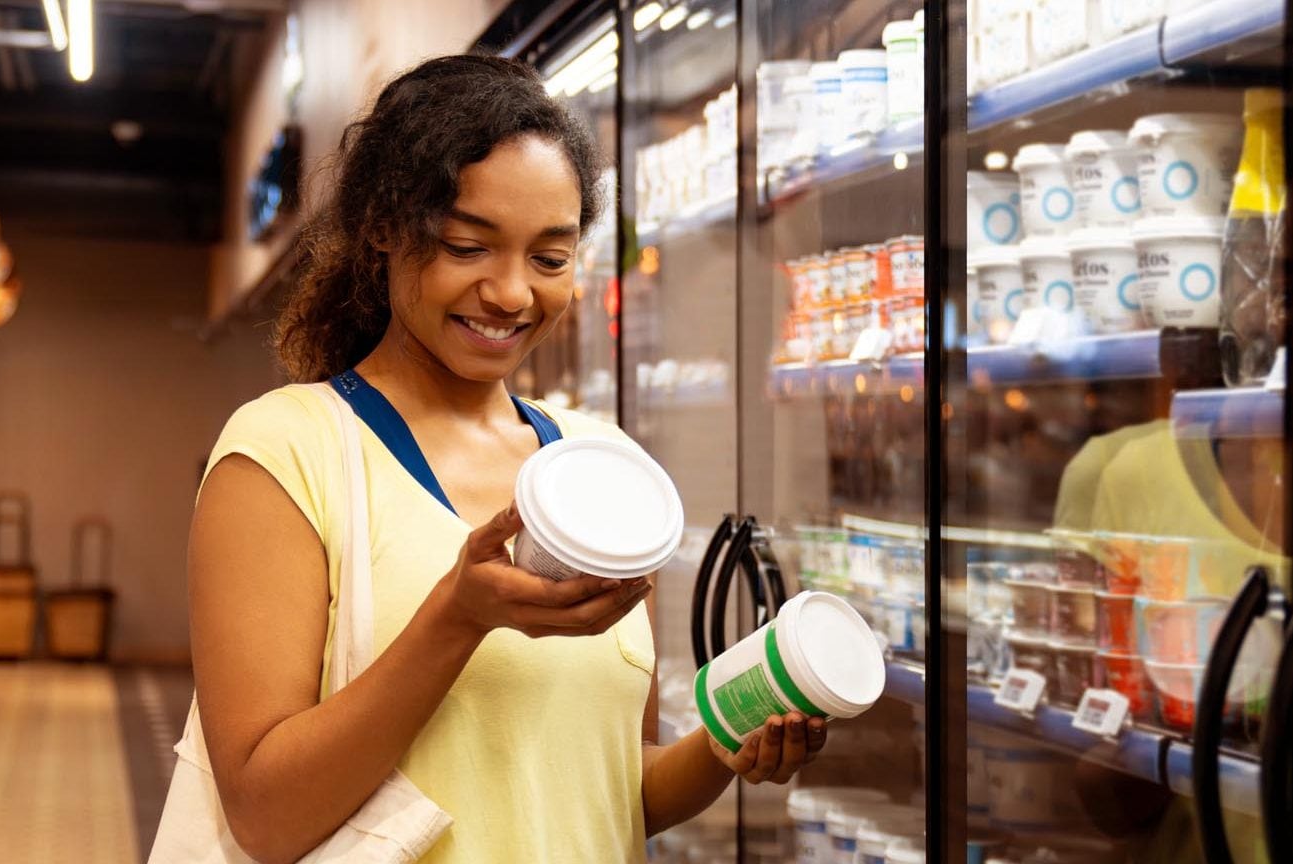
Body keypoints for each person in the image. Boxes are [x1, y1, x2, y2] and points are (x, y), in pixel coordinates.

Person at [184, 55, 822, 864]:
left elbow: (615, 788)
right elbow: (265, 817)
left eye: (550, 259)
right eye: (466, 246)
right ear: (382, 228)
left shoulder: (600, 463)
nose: (514, 293)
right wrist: (458, 617)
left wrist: (729, 745)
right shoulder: (283, 453)